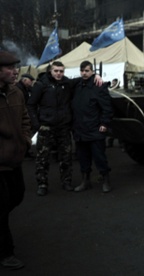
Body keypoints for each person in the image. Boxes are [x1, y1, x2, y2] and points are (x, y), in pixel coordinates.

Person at [0, 51, 30, 270]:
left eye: (16, 67)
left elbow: (25, 118)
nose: (15, 71)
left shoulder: (16, 93)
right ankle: (5, 253)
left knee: (17, 196)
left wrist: (26, 140)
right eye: (10, 68)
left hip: (15, 160)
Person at [28, 61, 74, 195]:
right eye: (56, 71)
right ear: (50, 71)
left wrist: (96, 76)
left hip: (63, 127)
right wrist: (37, 125)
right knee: (43, 158)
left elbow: (80, 81)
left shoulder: (66, 83)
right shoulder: (41, 85)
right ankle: (42, 184)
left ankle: (66, 181)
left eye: (61, 71)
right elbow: (31, 105)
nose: (59, 74)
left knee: (66, 156)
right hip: (46, 127)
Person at [72, 61, 113, 193]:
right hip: (80, 129)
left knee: (99, 157)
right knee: (83, 158)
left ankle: (106, 180)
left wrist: (104, 124)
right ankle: (85, 181)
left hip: (95, 129)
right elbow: (62, 81)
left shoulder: (99, 86)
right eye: (82, 70)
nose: (84, 73)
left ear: (92, 72)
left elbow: (107, 108)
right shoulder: (76, 86)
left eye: (87, 71)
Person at [16, 73, 36, 158]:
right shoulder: (19, 89)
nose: (31, 82)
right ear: (24, 80)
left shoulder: (25, 88)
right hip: (20, 115)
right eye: (30, 81)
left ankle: (25, 151)